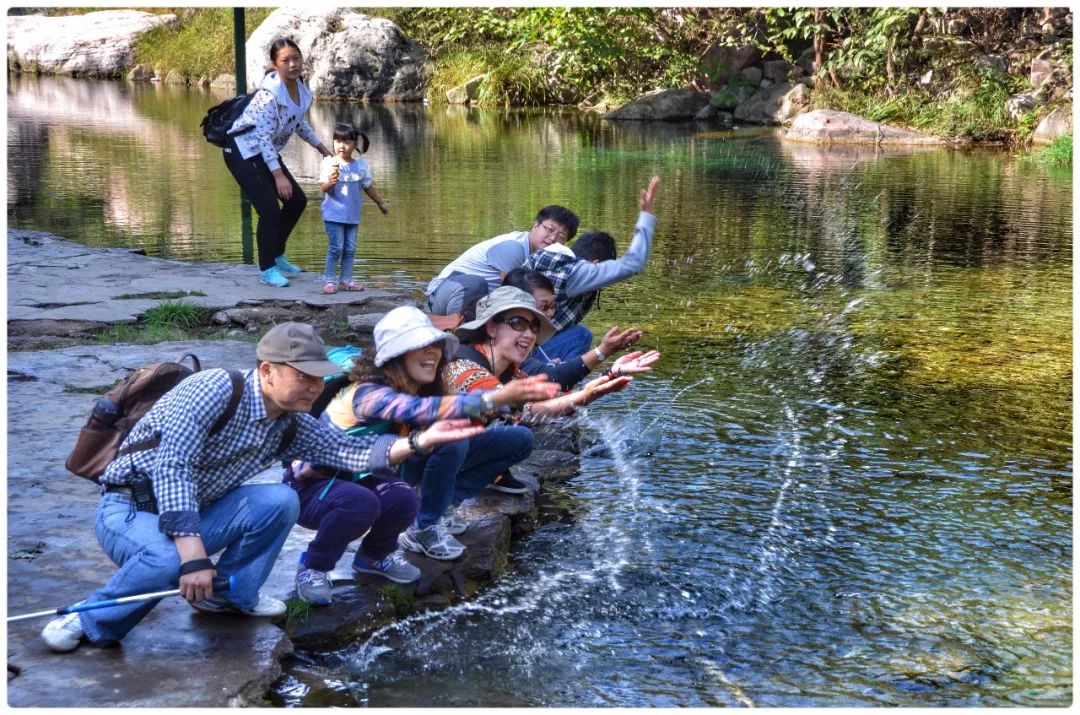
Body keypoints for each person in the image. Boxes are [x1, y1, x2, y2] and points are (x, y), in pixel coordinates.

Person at [40, 322, 482, 652]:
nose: (316, 386)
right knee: (166, 558)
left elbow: (348, 453)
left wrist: (419, 441)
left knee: (280, 498)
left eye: (319, 376)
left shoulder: (291, 421)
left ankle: (231, 596)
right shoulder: (212, 389)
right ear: (268, 370)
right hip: (130, 510)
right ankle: (91, 618)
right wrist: (194, 558)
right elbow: (174, 470)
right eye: (304, 376)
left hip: (198, 511)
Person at [291, 307, 558, 572]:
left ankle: (377, 554)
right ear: (395, 355)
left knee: (513, 440)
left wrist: (502, 407)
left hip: (379, 471)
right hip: (322, 486)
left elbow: (446, 416)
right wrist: (494, 397)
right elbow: (417, 410)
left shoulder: (422, 387)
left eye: (436, 345)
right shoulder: (367, 393)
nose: (432, 352)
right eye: (420, 345)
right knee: (366, 500)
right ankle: (314, 567)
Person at [444, 287, 634, 442]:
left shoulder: (511, 371)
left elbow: (550, 399)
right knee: (518, 436)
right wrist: (587, 392)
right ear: (492, 328)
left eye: (534, 327)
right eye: (518, 323)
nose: (529, 334)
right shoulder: (464, 368)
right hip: (432, 454)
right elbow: (523, 413)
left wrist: (610, 376)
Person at [223, 38, 333, 288]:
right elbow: (262, 136)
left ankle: (277, 254)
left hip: (263, 151)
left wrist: (322, 148)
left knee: (296, 201)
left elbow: (298, 122)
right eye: (286, 60)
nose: (293, 64)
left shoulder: (300, 90)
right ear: (275, 64)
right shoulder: (268, 95)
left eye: (296, 58)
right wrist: (278, 176)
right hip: (241, 151)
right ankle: (267, 269)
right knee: (270, 210)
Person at [524, 176, 661, 363]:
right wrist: (646, 216)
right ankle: (558, 382)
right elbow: (633, 264)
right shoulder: (577, 273)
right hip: (526, 353)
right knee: (582, 335)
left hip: (512, 343)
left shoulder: (543, 258)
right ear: (595, 264)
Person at [502, 268, 662, 390]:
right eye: (544, 307)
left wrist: (610, 374)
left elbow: (559, 397)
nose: (550, 314)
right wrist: (603, 351)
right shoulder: (503, 348)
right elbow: (550, 383)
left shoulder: (524, 340)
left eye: (552, 307)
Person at [426, 205, 580, 320]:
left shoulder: (540, 259)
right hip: (443, 293)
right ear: (535, 226)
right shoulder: (514, 247)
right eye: (549, 229)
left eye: (560, 236)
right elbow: (511, 294)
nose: (552, 238)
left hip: (472, 301)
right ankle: (460, 345)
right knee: (477, 284)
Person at [318, 122, 389, 295]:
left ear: (355, 144)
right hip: (333, 214)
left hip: (352, 215)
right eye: (337, 141)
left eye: (346, 142)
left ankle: (346, 280)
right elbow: (323, 188)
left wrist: (380, 202)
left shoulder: (360, 166)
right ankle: (329, 279)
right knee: (336, 247)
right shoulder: (329, 163)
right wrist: (330, 182)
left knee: (350, 248)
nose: (341, 146)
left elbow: (368, 187)